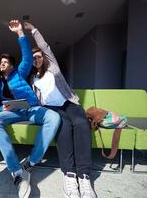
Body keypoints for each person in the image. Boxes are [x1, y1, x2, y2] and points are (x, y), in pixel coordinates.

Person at [0, 20, 61, 198]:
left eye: (6, 62)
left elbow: (27, 57)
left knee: (53, 118)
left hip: (30, 109)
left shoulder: (18, 73)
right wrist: (2, 106)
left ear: (12, 66)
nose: (3, 64)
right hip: (12, 112)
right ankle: (16, 169)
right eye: (2, 62)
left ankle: (32, 160)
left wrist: (20, 33)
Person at [24, 22, 97, 198]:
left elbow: (45, 46)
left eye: (39, 56)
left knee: (80, 123)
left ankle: (84, 177)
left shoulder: (53, 67)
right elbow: (36, 99)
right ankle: (70, 175)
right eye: (33, 58)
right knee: (64, 128)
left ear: (44, 57)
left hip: (68, 103)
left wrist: (34, 30)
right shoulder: (33, 79)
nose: (36, 59)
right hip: (51, 108)